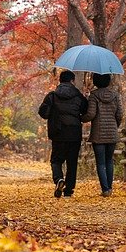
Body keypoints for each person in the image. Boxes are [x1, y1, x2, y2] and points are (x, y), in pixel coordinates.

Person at [38, 70, 88, 198]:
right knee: (72, 162)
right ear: (72, 81)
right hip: (74, 133)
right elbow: (85, 110)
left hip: (58, 132)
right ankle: (69, 190)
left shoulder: (52, 96)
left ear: (60, 81)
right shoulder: (78, 96)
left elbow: (43, 113)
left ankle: (59, 179)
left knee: (56, 160)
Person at [83, 73, 123, 197]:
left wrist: (80, 118)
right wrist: (114, 126)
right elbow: (119, 114)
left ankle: (105, 189)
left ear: (95, 81)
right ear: (108, 81)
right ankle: (110, 188)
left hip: (98, 134)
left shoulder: (94, 95)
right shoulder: (115, 95)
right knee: (109, 161)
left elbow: (90, 114)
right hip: (112, 133)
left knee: (100, 162)